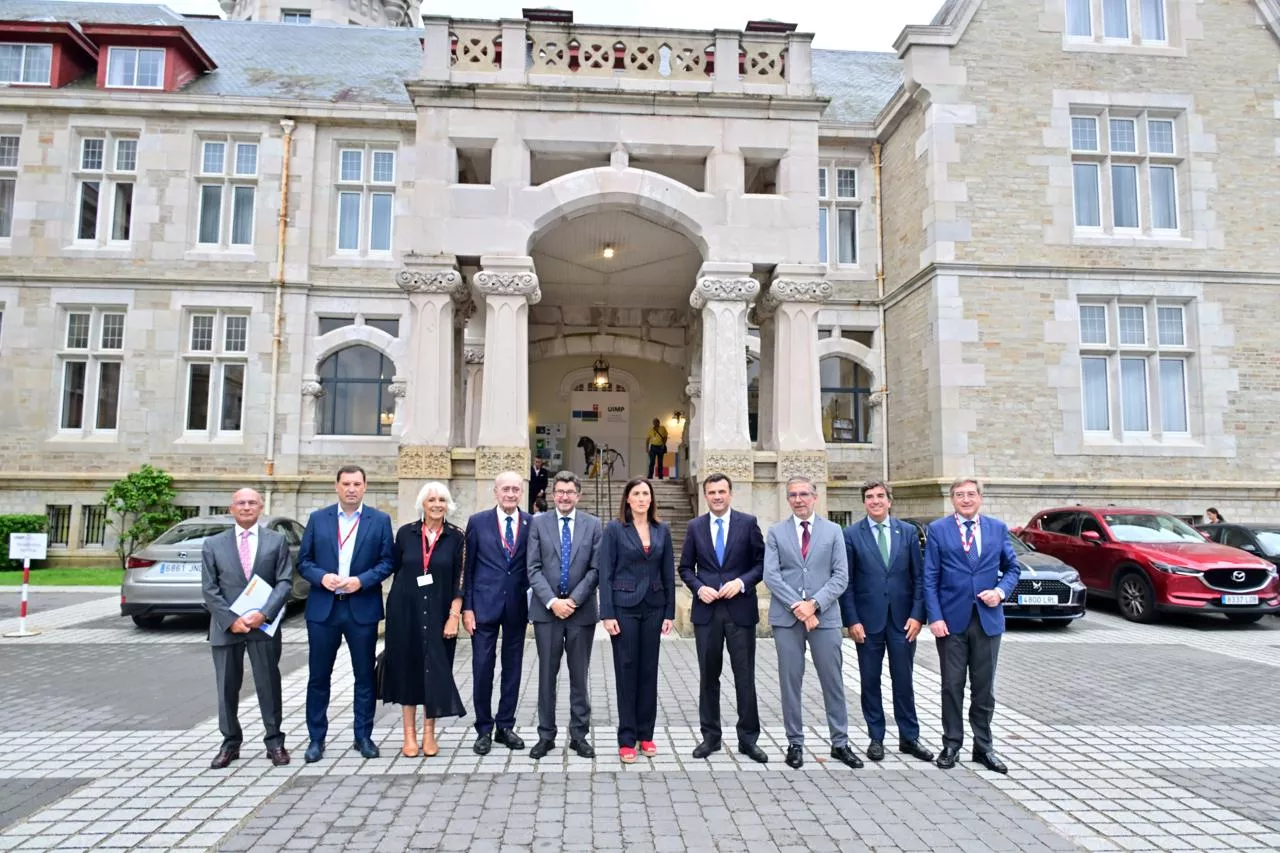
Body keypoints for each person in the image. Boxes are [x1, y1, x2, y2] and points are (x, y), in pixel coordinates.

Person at [298, 465, 395, 763]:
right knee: (318, 677)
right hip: (324, 609)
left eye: (356, 484)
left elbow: (387, 562)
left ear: (365, 486)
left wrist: (361, 581)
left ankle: (363, 736)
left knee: (364, 676)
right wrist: (321, 577)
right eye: (346, 484)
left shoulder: (379, 521)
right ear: (336, 486)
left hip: (361, 607)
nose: (351, 489)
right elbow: (304, 561)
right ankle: (316, 739)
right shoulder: (318, 519)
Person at [924, 477, 1021, 774]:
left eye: (970, 494)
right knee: (952, 686)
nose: (965, 499)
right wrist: (935, 617)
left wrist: (1000, 592)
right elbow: (930, 577)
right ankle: (952, 743)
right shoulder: (938, 530)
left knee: (983, 689)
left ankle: (984, 746)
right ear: (952, 499)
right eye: (959, 495)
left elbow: (1013, 568)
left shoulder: (996, 528)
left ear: (980, 497)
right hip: (951, 623)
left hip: (987, 622)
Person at [763, 475, 860, 770]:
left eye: (804, 494)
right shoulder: (777, 532)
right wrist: (798, 606)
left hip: (825, 618)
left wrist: (814, 604)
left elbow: (840, 576)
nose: (798, 499)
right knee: (790, 681)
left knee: (833, 681)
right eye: (793, 495)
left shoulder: (833, 532)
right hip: (787, 619)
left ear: (815, 497)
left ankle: (840, 743)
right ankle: (795, 742)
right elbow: (771, 576)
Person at [838, 480, 934, 765]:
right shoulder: (852, 534)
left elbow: (919, 578)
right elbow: (848, 583)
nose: (875, 501)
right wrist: (851, 620)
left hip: (903, 621)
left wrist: (919, 615)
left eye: (880, 496)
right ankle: (876, 737)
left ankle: (909, 737)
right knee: (870, 681)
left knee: (903, 680)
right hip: (867, 623)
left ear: (890, 501)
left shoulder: (906, 533)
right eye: (869, 497)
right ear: (864, 502)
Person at [677, 473, 768, 764]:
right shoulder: (695, 526)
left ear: (730, 493)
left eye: (722, 491)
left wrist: (741, 583)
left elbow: (761, 563)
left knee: (745, 677)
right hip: (707, 613)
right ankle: (711, 737)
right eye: (712, 492)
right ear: (706, 496)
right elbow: (685, 568)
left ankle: (748, 739)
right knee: (708, 677)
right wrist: (699, 588)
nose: (717, 496)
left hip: (740, 610)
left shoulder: (748, 523)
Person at [200, 488, 293, 769]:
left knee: (268, 684)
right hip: (226, 627)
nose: (246, 507)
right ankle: (230, 742)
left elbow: (285, 582)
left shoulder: (276, 541)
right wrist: (231, 620)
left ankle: (275, 741)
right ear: (232, 509)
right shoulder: (213, 544)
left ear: (260, 508)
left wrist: (263, 614)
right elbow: (209, 588)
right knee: (227, 686)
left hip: (262, 626)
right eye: (241, 503)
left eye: (252, 502)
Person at [382, 481, 466, 758]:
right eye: (431, 500)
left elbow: (461, 579)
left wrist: (454, 616)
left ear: (448, 504)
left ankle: (429, 733)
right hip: (405, 612)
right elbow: (393, 568)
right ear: (423, 504)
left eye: (442, 499)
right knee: (408, 672)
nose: (437, 504)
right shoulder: (406, 533)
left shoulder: (457, 537)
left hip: (441, 613)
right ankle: (409, 735)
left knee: (435, 673)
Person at [526, 470, 603, 760]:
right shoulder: (538, 524)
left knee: (579, 676)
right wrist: (551, 602)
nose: (564, 496)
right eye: (559, 491)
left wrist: (572, 600)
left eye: (570, 492)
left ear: (578, 495)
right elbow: (532, 567)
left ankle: (579, 736)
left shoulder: (593, 525)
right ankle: (546, 736)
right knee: (547, 675)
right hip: (547, 614)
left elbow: (596, 569)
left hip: (580, 613)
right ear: (551, 494)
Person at [599, 477, 675, 763]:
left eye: (646, 493)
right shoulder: (615, 530)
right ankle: (627, 738)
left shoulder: (662, 530)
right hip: (624, 608)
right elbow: (605, 573)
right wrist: (606, 613)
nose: (642, 498)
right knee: (626, 670)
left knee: (649, 672)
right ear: (628, 499)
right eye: (636, 494)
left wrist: (669, 613)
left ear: (651, 499)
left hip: (654, 607)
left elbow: (668, 573)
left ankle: (646, 735)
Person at [463, 471, 532, 755]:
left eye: (516, 489)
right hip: (483, 607)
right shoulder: (477, 522)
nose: (511, 494)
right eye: (506, 489)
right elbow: (467, 570)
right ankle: (483, 729)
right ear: (495, 492)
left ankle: (505, 725)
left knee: (513, 669)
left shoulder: (531, 523)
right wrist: (467, 606)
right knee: (482, 669)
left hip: (516, 607)